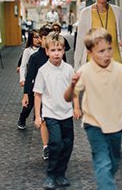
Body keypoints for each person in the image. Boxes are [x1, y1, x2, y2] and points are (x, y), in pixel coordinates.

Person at [65, 28, 122, 190]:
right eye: (101, 51)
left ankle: (105, 183)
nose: (107, 54)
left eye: (109, 49)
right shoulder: (84, 71)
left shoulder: (120, 70)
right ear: (90, 52)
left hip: (116, 125)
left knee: (113, 162)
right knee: (103, 162)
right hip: (93, 125)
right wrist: (72, 85)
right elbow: (68, 97)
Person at [34, 32, 81, 190]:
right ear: (47, 51)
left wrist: (76, 107)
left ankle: (61, 174)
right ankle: (51, 175)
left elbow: (74, 90)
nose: (56, 53)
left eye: (59, 50)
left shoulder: (68, 69)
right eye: (53, 50)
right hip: (51, 114)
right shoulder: (43, 71)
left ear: (63, 51)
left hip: (66, 113)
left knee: (68, 144)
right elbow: (38, 95)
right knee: (56, 143)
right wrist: (37, 116)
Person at [74, 0, 122, 71]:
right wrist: (76, 66)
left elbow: (121, 36)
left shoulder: (117, 11)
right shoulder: (86, 13)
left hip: (115, 59)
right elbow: (80, 41)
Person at [18, 25, 52, 160]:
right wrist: (26, 94)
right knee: (40, 116)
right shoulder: (35, 57)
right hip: (37, 91)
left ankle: (52, 143)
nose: (44, 41)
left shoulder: (57, 54)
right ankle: (46, 147)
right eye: (43, 38)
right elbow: (29, 76)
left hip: (53, 93)